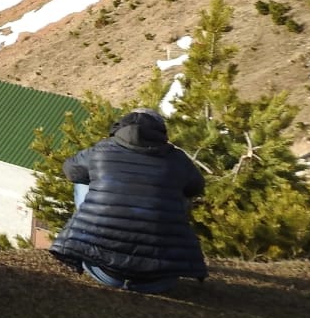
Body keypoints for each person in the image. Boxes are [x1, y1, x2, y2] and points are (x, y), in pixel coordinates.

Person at [49, 108, 207, 292]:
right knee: (179, 192)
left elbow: (69, 169)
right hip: (160, 281)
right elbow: (196, 187)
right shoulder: (177, 159)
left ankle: (86, 242)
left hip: (103, 272)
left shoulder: (101, 150)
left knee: (83, 182)